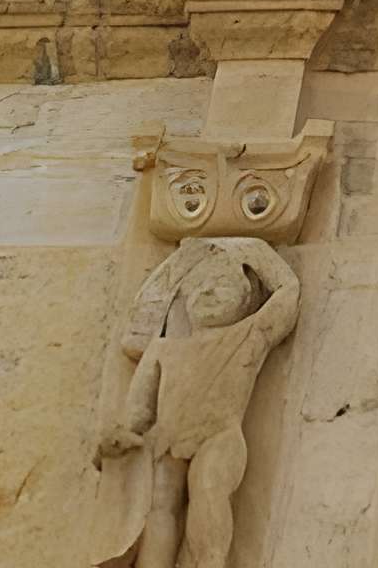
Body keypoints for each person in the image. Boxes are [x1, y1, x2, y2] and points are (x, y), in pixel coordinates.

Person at [95, 241, 299, 568]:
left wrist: (253, 248)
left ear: (246, 299)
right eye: (200, 286)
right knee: (161, 504)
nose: (208, 291)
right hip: (170, 441)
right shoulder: (163, 350)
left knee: (209, 490)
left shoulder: (249, 335)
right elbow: (139, 413)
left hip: (219, 437)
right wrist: (120, 435)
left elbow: (288, 292)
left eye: (222, 284)